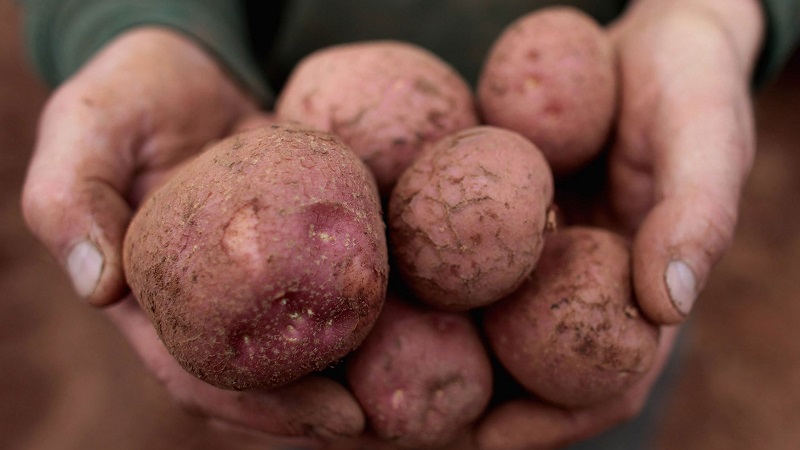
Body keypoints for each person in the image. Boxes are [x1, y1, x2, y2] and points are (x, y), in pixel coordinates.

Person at [17, 0, 800, 448]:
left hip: (600, 200)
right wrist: (130, 20)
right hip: (261, 97)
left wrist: (711, 13)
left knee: (599, 411)